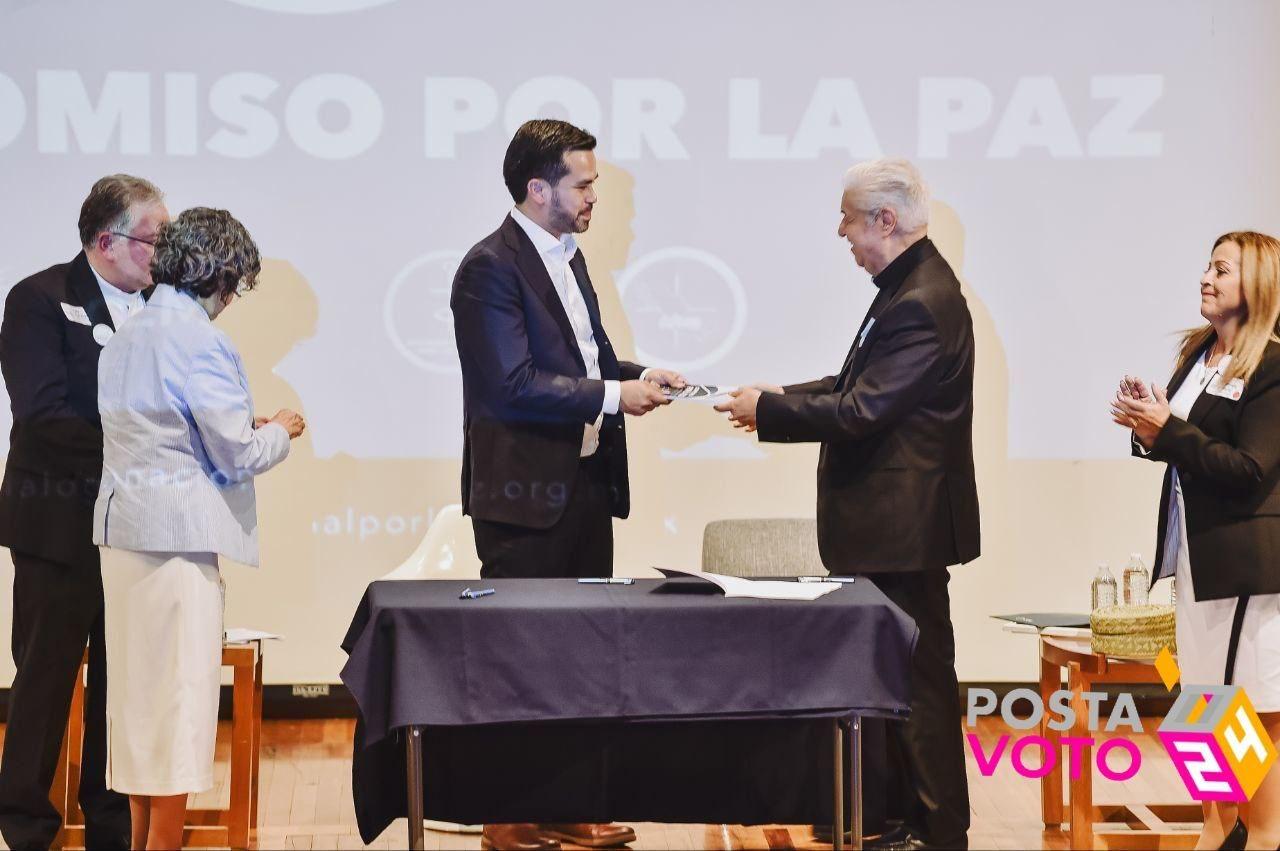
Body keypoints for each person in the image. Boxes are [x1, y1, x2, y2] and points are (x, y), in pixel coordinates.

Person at [716, 157, 979, 851]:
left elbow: (863, 409)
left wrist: (772, 410)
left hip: (905, 532)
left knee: (917, 688)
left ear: (885, 220)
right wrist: (775, 399)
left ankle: (934, 831)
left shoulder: (923, 297)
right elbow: (855, 379)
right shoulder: (906, 286)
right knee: (895, 683)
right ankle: (895, 821)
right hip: (890, 530)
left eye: (849, 219)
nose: (842, 233)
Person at [450, 119, 684, 851]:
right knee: (520, 659)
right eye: (583, 183)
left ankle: (564, 805)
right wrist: (615, 398)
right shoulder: (489, 267)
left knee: (580, 655)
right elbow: (512, 384)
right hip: (523, 499)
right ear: (537, 188)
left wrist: (637, 375)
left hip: (582, 485)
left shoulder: (569, 258)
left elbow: (588, 359)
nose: (593, 197)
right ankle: (507, 815)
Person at [91, 207, 304, 850]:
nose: (233, 299)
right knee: (179, 703)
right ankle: (163, 845)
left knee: (134, 705)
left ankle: (140, 840)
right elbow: (236, 454)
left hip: (123, 536)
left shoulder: (125, 331)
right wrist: (280, 430)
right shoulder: (202, 341)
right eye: (236, 285)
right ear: (221, 276)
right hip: (179, 543)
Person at [0, 174, 168, 851]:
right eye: (154, 240)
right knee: (45, 679)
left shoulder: (163, 307)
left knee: (119, 688)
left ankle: (110, 824)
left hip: (135, 531)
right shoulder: (40, 299)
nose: (162, 254)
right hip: (58, 527)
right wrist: (147, 442)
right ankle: (26, 825)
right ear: (107, 240)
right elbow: (43, 416)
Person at [1112, 231, 1280, 851]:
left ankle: (1263, 835)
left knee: (1249, 710)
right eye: (1207, 267)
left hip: (1246, 571)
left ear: (1257, 283)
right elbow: (1184, 441)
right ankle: (1218, 829)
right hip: (1194, 562)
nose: (1206, 278)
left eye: (1222, 269)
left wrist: (1170, 430)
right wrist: (1147, 423)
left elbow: (1249, 469)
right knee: (1201, 711)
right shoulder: (1201, 352)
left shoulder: (1271, 365)